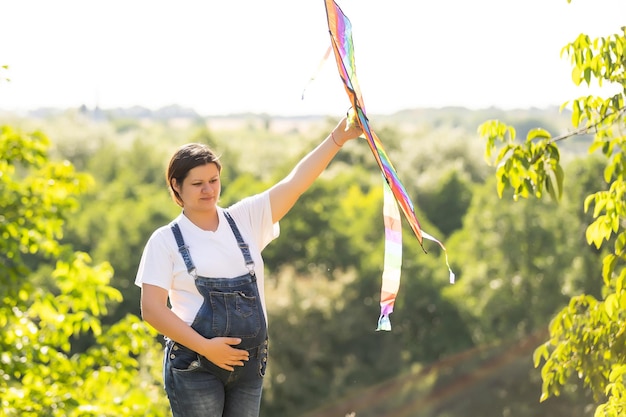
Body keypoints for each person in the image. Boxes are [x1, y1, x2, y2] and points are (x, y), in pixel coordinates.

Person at [135, 114, 362, 417]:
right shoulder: (165, 241)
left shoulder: (244, 220)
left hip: (248, 365)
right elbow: (152, 309)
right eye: (198, 184)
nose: (208, 190)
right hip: (195, 366)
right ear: (176, 187)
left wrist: (338, 138)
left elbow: (295, 184)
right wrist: (206, 346)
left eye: (213, 181)